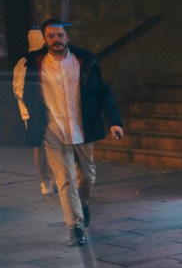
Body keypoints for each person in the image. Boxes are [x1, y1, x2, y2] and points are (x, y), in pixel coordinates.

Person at [19, 18, 124, 246]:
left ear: (68, 37)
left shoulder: (84, 60)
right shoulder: (34, 63)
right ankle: (75, 228)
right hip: (52, 130)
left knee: (87, 177)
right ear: (45, 38)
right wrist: (35, 119)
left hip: (82, 128)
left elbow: (103, 93)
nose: (56, 40)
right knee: (65, 180)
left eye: (60, 35)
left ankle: (83, 204)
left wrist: (114, 121)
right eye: (51, 36)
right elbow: (27, 94)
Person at [12, 27, 55, 195]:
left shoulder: (38, 60)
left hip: (42, 109)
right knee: (40, 145)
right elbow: (20, 89)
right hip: (33, 111)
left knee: (46, 145)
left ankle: (50, 179)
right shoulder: (26, 62)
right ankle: (46, 180)